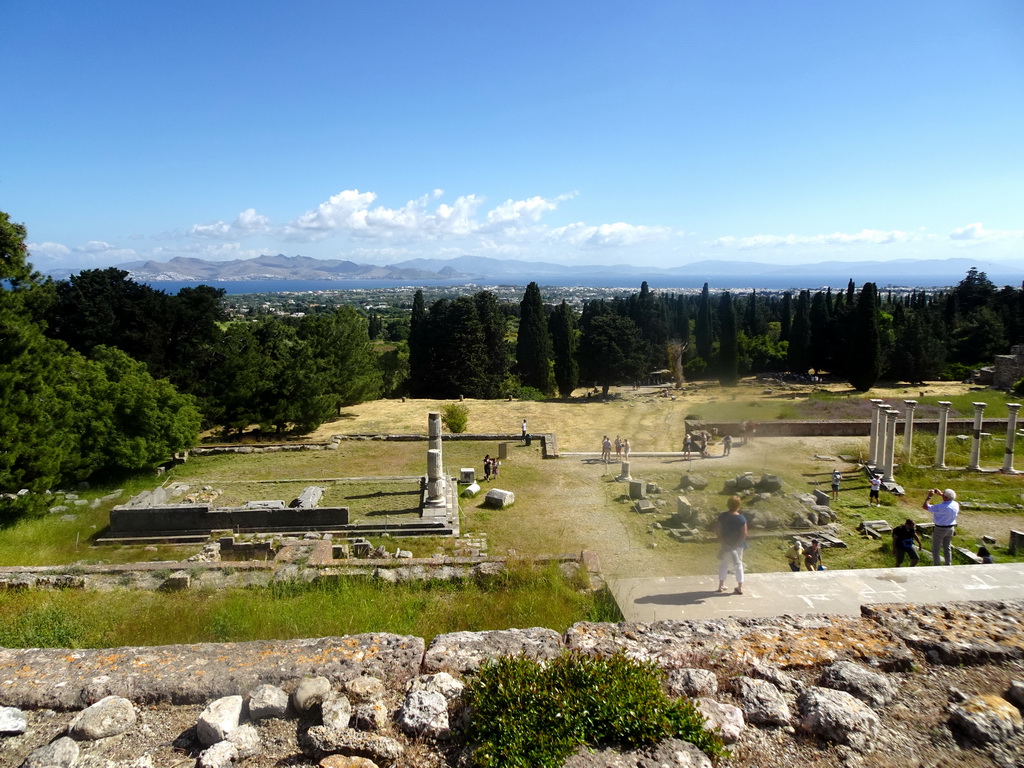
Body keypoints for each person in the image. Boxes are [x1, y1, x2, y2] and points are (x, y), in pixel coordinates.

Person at [715, 495, 748, 595]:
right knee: (738, 564)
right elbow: (744, 534)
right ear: (738, 505)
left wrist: (723, 543)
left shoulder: (722, 516)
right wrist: (736, 545)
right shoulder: (741, 518)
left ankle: (721, 585)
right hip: (737, 546)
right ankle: (739, 587)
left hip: (726, 545)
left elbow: (718, 530)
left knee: (724, 564)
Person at [923, 488, 959, 566]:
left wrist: (929, 496)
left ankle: (937, 565)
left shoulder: (940, 507)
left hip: (940, 528)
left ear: (945, 497)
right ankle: (948, 564)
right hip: (950, 528)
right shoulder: (955, 504)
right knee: (947, 547)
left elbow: (925, 506)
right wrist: (941, 494)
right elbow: (947, 499)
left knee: (936, 548)